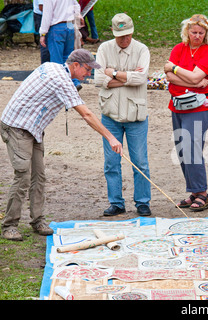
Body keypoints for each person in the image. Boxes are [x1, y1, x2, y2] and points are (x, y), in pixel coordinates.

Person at [0, 49, 123, 241]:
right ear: (75, 65)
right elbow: (86, 115)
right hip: (16, 127)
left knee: (39, 176)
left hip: (33, 129)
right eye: (87, 69)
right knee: (23, 176)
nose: (89, 74)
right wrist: (111, 138)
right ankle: (10, 225)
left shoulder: (52, 66)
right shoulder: (62, 80)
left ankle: (38, 220)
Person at [94, 13, 151, 217]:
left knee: (140, 162)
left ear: (132, 31)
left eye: (127, 35)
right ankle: (116, 202)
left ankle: (142, 202)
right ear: (113, 33)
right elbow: (98, 79)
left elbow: (141, 78)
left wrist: (114, 73)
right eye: (120, 36)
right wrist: (127, 76)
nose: (124, 40)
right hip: (110, 116)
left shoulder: (142, 49)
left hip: (136, 116)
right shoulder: (103, 48)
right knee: (111, 162)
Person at [163, 14, 208, 212]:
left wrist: (176, 69)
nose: (197, 36)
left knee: (191, 146)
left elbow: (185, 74)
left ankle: (202, 192)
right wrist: (192, 81)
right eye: (193, 32)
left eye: (201, 33)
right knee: (181, 147)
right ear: (187, 31)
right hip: (177, 104)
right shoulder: (179, 48)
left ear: (206, 34)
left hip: (199, 106)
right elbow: (169, 77)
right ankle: (194, 191)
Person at [39, 0, 83, 89]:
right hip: (70, 25)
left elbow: (47, 15)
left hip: (56, 27)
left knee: (56, 61)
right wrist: (77, 15)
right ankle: (74, 82)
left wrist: (43, 33)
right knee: (69, 57)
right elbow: (76, 5)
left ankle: (59, 86)